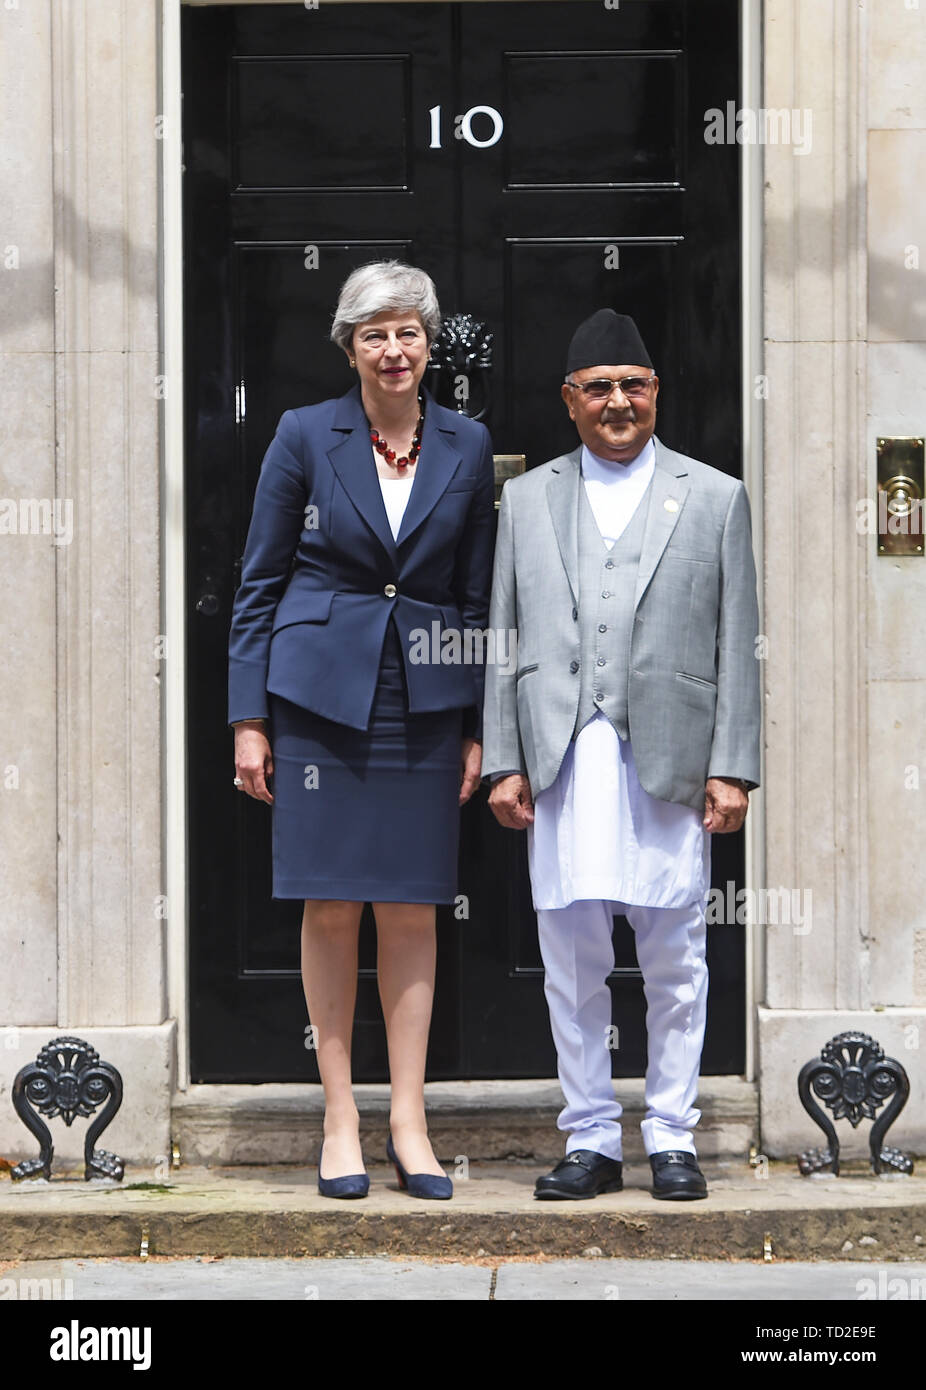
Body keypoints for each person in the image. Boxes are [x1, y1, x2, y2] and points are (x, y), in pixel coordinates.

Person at [228, 261, 496, 1200]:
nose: (394, 349)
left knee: (413, 906)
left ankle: (409, 1119)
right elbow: (259, 583)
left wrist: (477, 725)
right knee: (332, 903)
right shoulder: (305, 435)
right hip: (318, 701)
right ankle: (339, 1114)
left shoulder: (467, 443)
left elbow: (471, 595)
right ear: (350, 346)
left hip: (424, 701)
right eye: (375, 333)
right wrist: (248, 718)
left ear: (430, 347)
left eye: (409, 332)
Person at [482, 308, 760, 1201]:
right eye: (597, 387)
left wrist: (733, 764)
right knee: (571, 956)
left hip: (671, 760)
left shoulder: (715, 496)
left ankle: (673, 1135)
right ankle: (593, 1137)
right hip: (563, 759)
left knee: (676, 954)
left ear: (656, 395)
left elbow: (735, 644)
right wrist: (504, 759)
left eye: (632, 386)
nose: (617, 402)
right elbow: (504, 634)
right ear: (570, 400)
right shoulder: (525, 500)